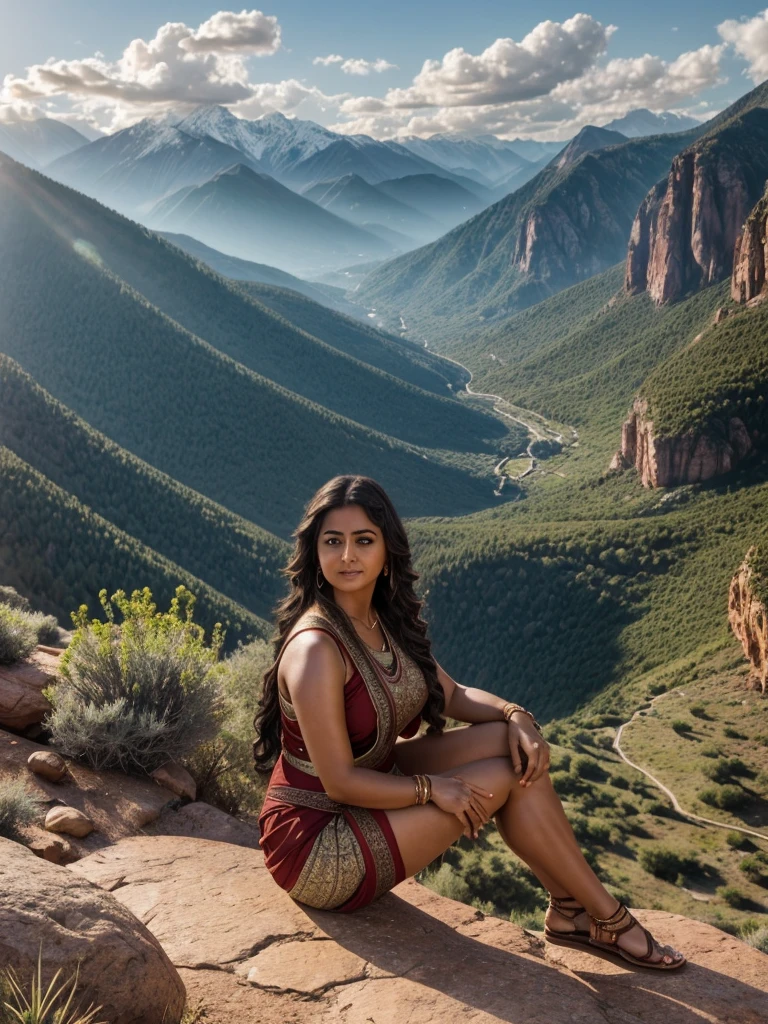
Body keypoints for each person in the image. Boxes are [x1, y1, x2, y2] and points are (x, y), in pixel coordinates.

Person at [253, 475, 686, 970]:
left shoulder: (381, 620)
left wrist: (516, 715)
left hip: (376, 778)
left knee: (512, 745)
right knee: (503, 777)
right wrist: (430, 789)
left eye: (363, 540)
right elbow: (339, 781)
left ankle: (572, 910)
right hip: (316, 841)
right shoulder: (316, 648)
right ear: (315, 551)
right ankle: (605, 917)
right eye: (333, 541)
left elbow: (453, 695)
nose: (347, 555)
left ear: (387, 549)